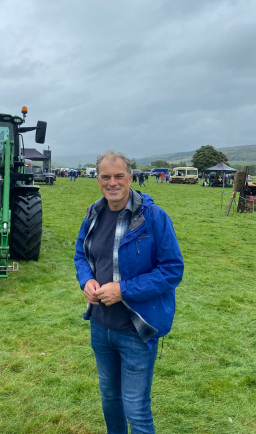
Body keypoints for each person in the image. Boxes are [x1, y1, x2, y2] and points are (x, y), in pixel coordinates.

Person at [74, 150, 184, 434]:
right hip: (100, 326)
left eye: (118, 176)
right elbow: (81, 255)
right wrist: (86, 280)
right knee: (110, 398)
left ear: (130, 178)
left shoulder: (154, 218)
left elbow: (172, 270)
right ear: (98, 179)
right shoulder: (94, 213)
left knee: (135, 406)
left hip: (136, 328)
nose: (112, 182)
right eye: (105, 176)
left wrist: (124, 290)